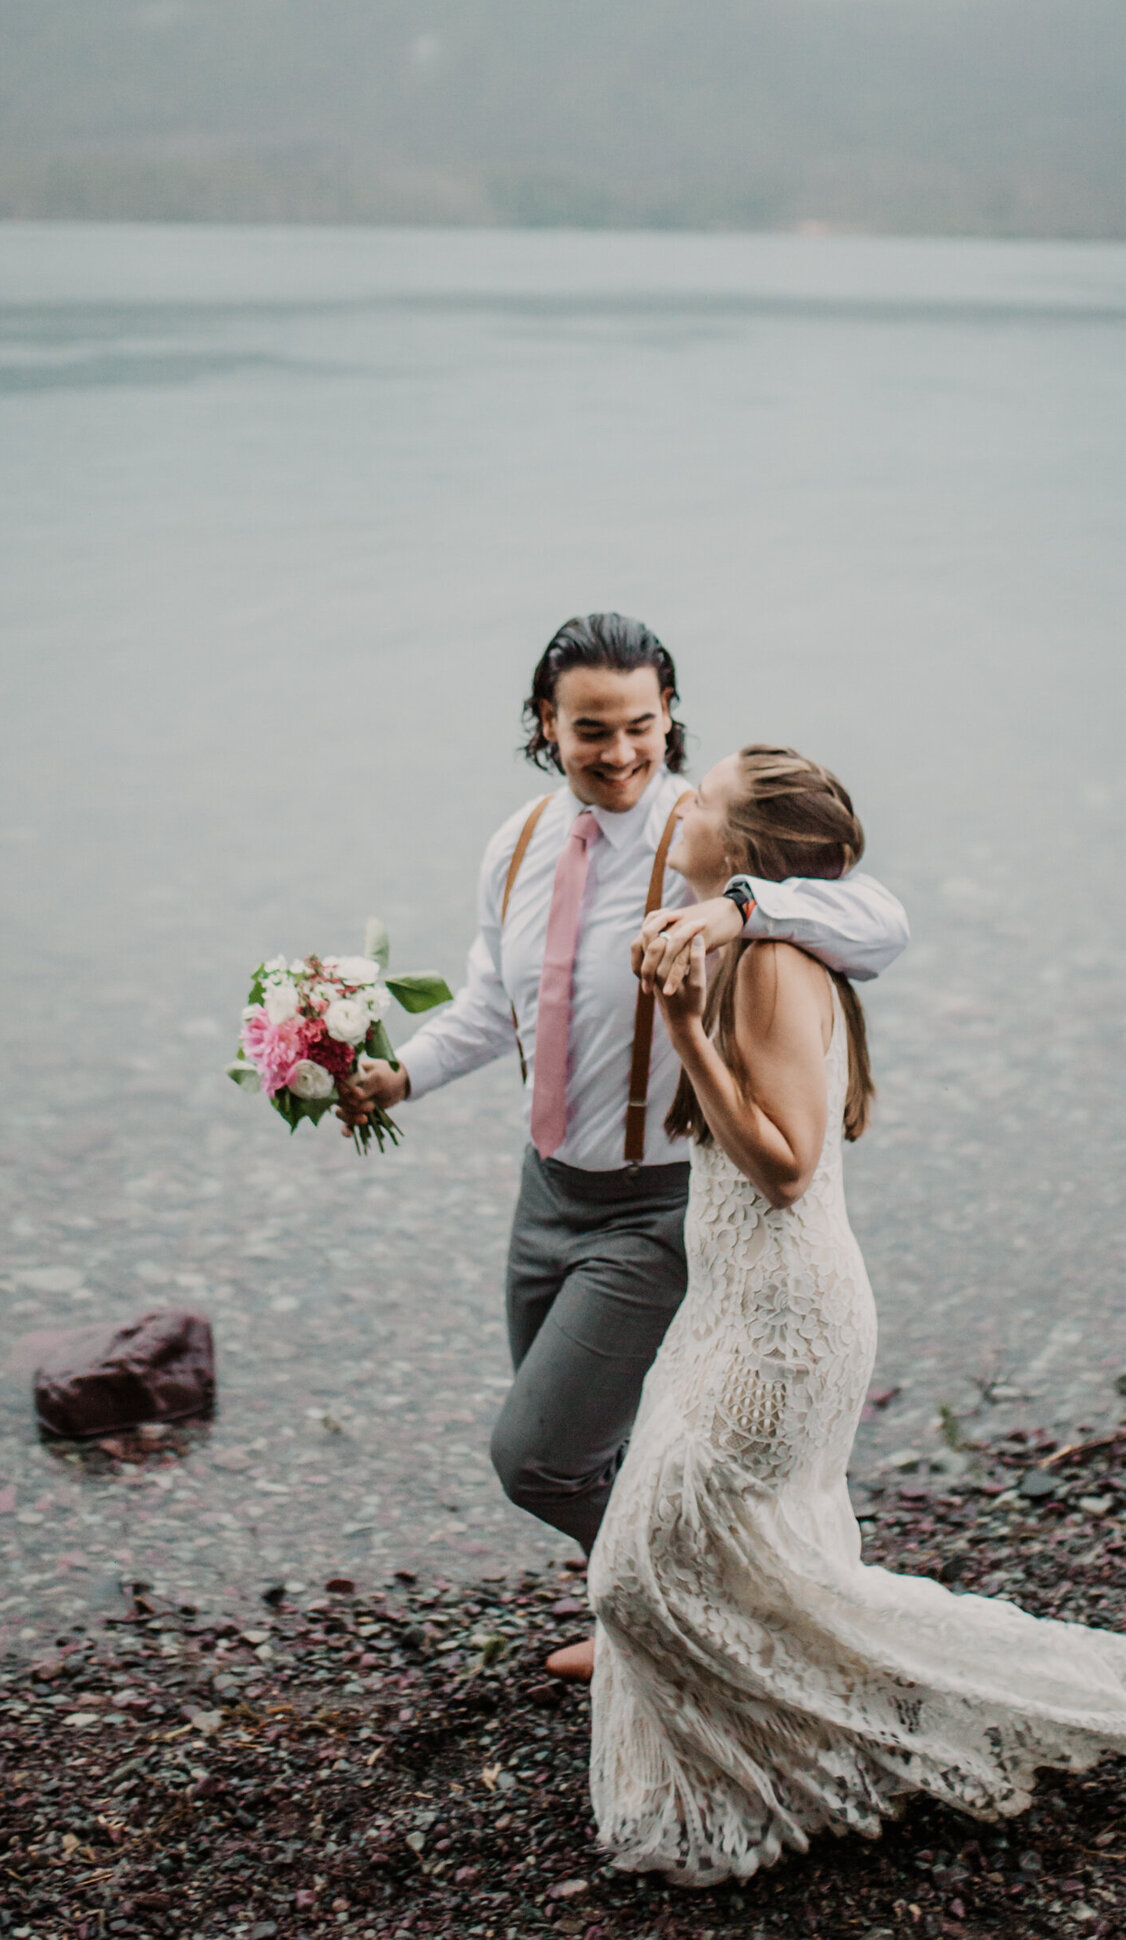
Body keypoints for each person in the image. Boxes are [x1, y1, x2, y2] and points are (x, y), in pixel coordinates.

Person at [587, 744, 1126, 1886]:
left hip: (781, 1319)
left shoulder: (770, 963)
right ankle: (768, 1759)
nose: (680, 804)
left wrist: (682, 1030)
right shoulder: (730, 934)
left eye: (701, 799)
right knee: (736, 1566)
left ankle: (851, 1745)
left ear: (750, 854)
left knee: (639, 1571)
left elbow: (783, 1165)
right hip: (723, 1310)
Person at [339, 616, 908, 1654]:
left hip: (653, 1211)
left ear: (669, 719)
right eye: (590, 729)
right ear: (545, 725)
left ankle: (714, 1609)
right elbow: (489, 1003)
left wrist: (743, 910)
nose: (619, 753)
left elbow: (878, 921)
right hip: (544, 1192)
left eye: (640, 725)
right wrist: (400, 1074)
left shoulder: (710, 841)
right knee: (591, 1455)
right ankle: (648, 1624)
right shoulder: (515, 843)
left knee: (536, 1455)